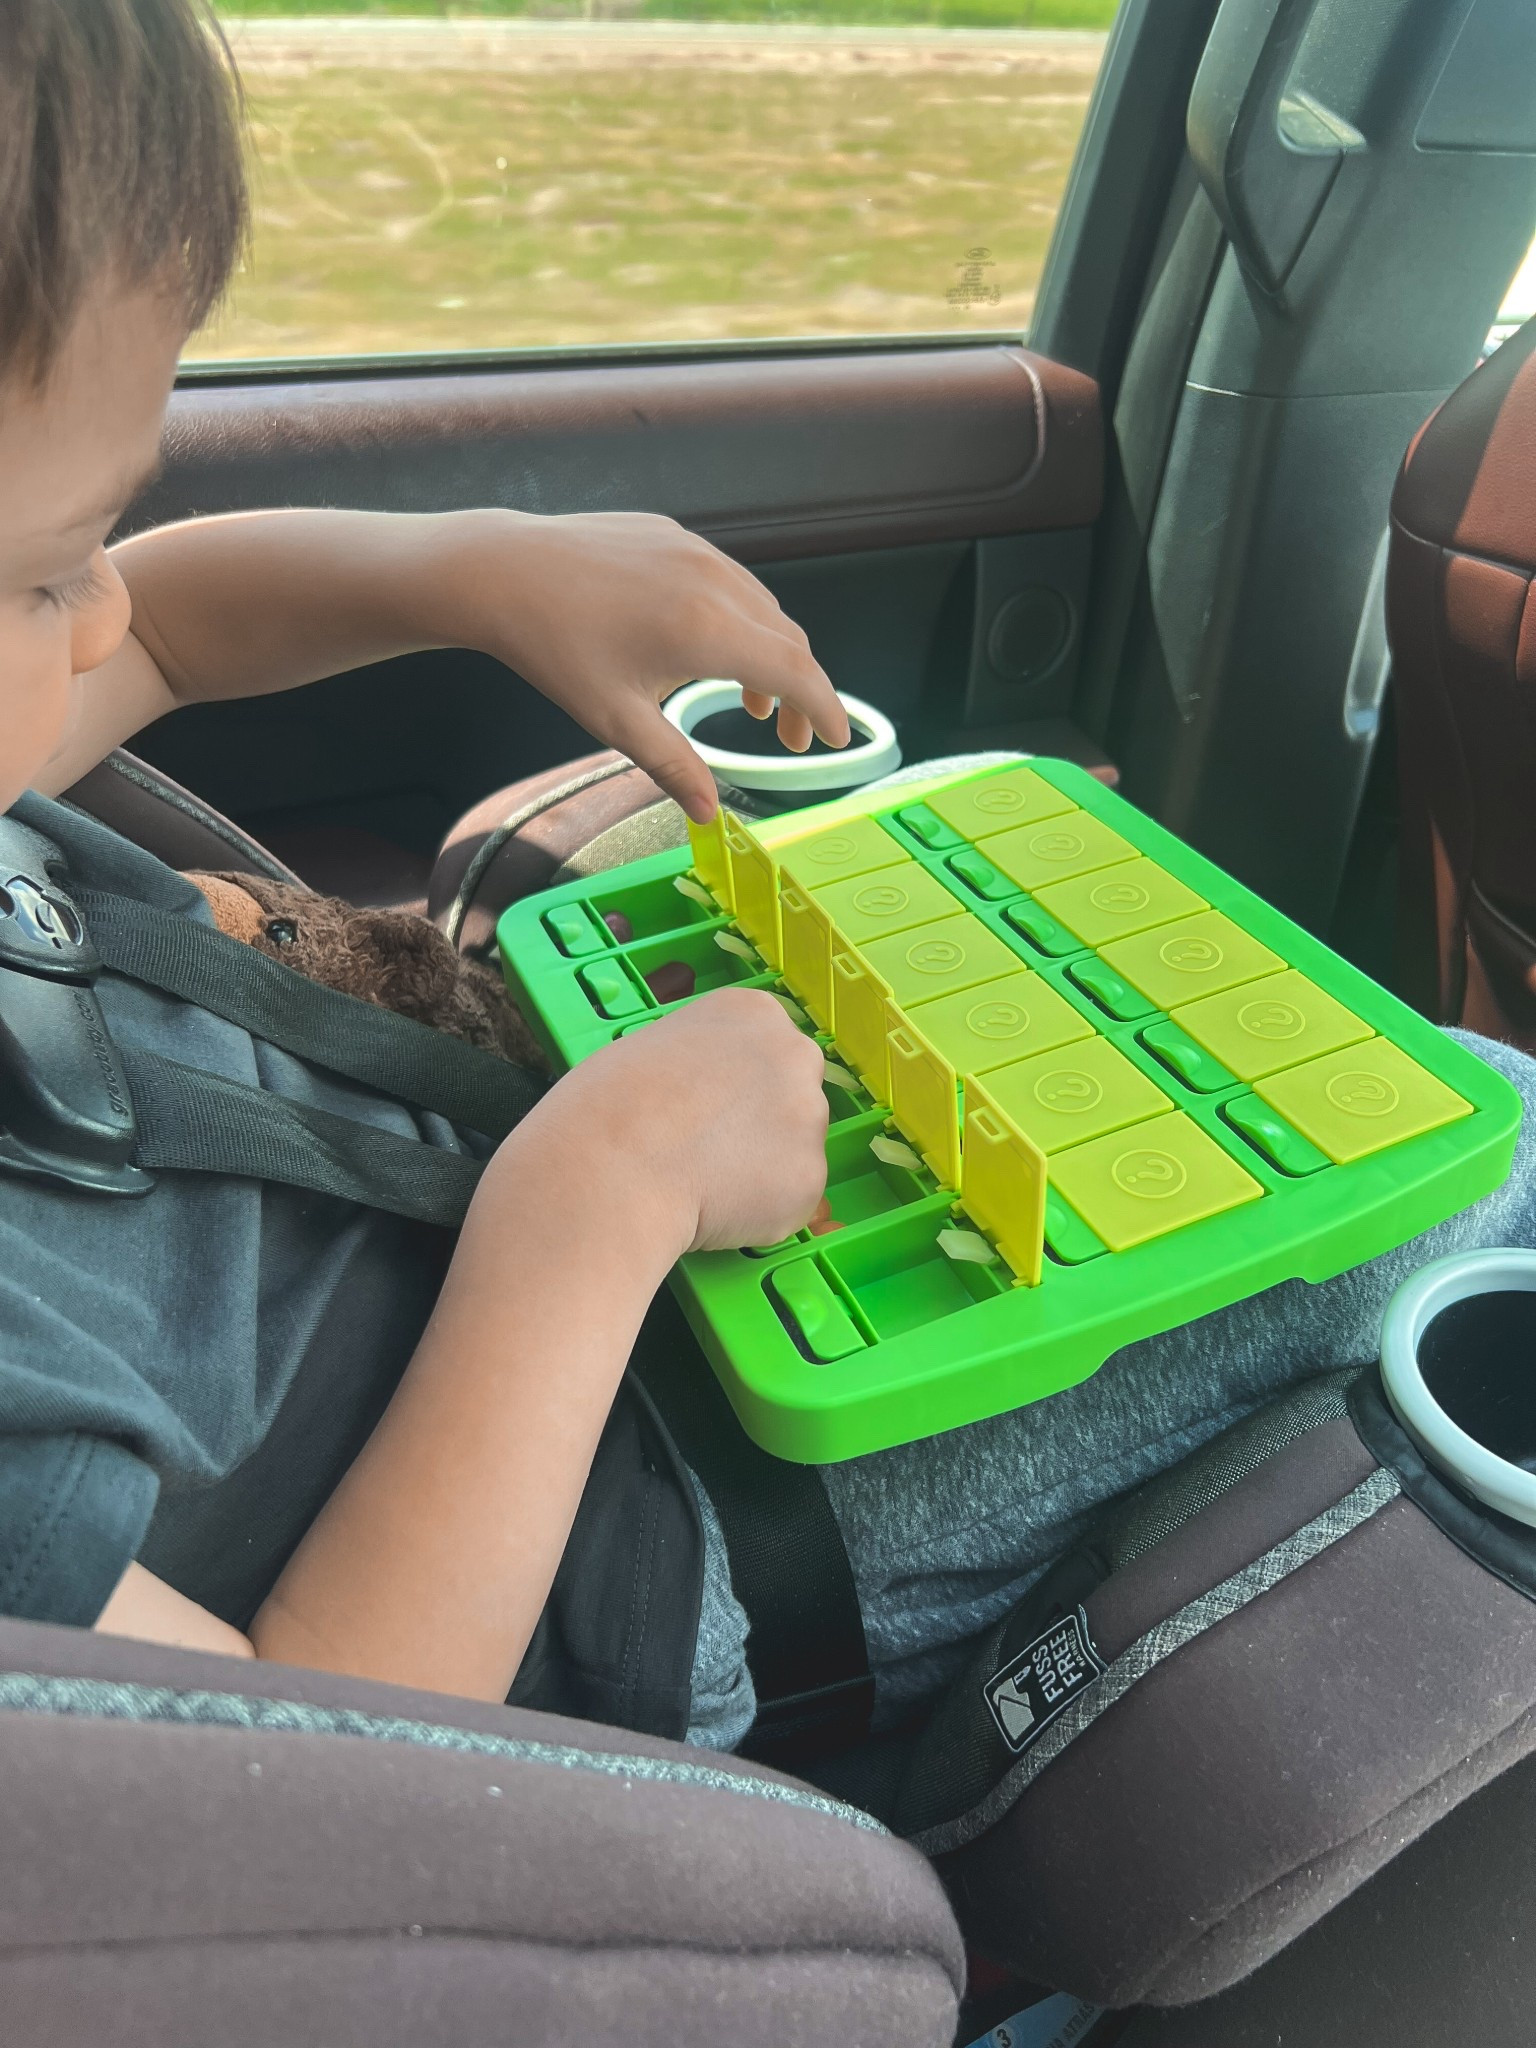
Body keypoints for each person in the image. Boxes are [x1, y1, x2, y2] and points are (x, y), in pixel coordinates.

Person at [5, 0, 1536, 1757]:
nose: (106, 611)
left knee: (962, 825)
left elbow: (170, 628)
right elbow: (312, 1778)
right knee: (1477, 1155)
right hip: (671, 1532)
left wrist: (478, 566)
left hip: (497, 1184)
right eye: (49, 575)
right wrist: (595, 1209)